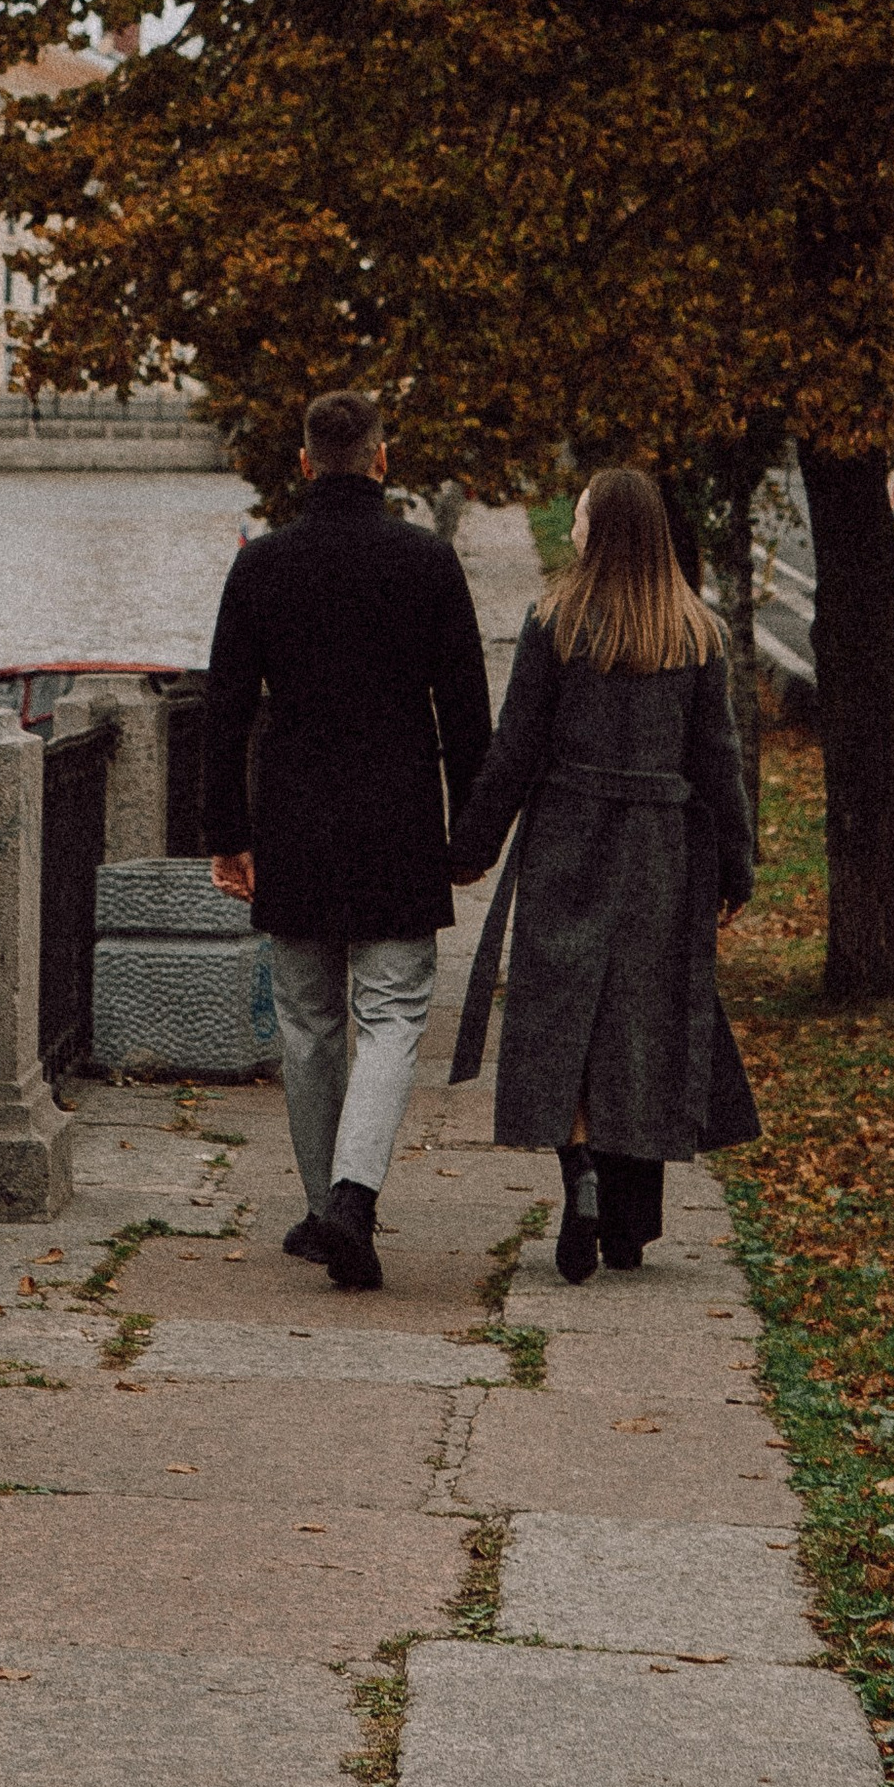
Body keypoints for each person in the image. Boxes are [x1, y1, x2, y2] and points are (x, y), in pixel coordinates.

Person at [203, 389, 492, 1290]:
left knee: (308, 1022)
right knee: (394, 1014)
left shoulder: (261, 566)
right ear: (380, 459)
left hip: (293, 823)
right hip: (400, 820)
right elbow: (466, 713)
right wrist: (472, 828)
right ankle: (352, 1199)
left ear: (301, 464)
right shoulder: (428, 562)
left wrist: (228, 832)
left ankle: (326, 1204)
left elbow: (224, 713)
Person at [446, 464, 757, 1280]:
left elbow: (515, 749)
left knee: (564, 1021)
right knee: (640, 1026)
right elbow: (719, 763)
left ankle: (578, 1168)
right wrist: (736, 867)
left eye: (581, 514)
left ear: (605, 528)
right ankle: (628, 1229)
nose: (574, 525)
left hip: (568, 838)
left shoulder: (556, 621)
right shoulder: (696, 632)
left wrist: (471, 845)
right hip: (663, 851)